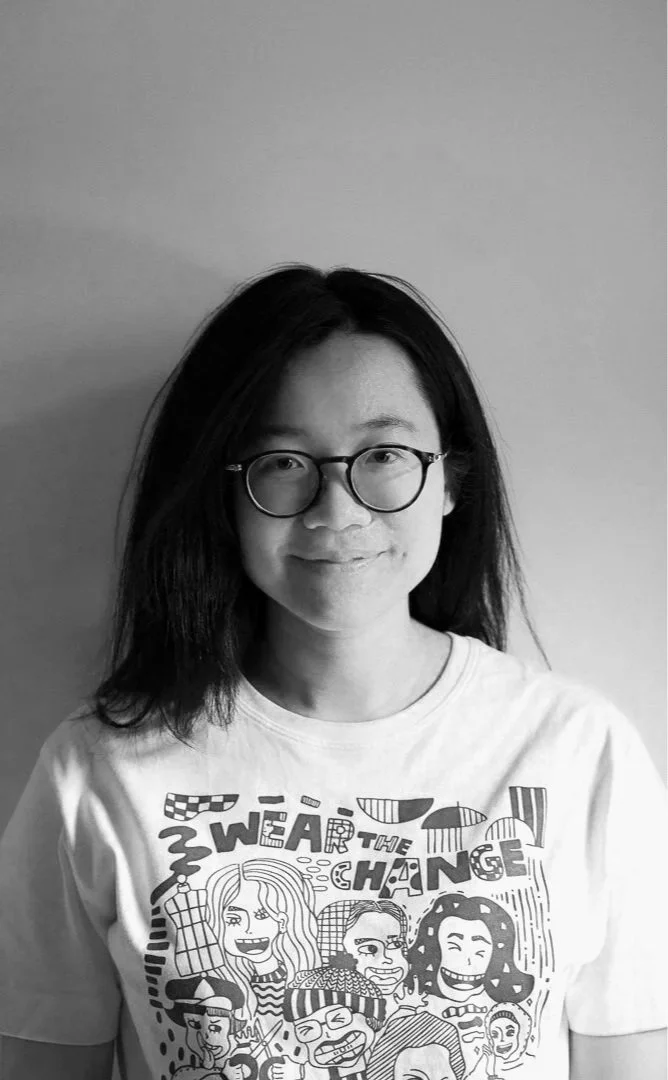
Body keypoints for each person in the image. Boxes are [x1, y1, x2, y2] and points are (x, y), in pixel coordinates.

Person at [0, 263, 665, 1080]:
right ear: (225, 494)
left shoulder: (579, 750)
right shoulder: (101, 770)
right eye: (283, 462)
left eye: (383, 453)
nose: (337, 510)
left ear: (450, 481)